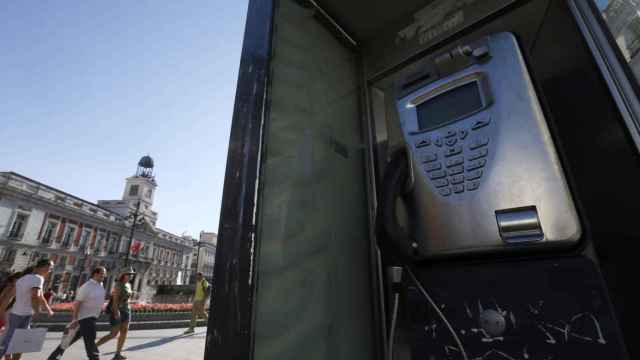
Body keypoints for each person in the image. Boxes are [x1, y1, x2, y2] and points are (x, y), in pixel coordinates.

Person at [47, 266, 107, 360]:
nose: (105, 275)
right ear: (96, 274)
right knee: (90, 341)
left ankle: (52, 358)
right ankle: (95, 358)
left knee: (68, 341)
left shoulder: (100, 285)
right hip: (85, 318)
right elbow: (77, 303)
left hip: (91, 318)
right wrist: (75, 319)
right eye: (103, 273)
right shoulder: (87, 286)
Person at [0, 259, 54, 359]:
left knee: (15, 341)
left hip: (15, 313)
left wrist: (48, 309)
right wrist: (37, 311)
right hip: (23, 315)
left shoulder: (22, 279)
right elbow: (35, 296)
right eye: (50, 268)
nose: (50, 271)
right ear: (44, 267)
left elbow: (11, 296)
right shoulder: (38, 279)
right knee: (14, 342)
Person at [96, 267, 134, 360]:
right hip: (118, 311)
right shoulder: (118, 284)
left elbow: (128, 297)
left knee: (124, 332)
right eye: (128, 274)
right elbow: (115, 300)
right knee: (113, 334)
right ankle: (93, 347)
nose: (130, 276)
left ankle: (118, 354)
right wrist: (116, 311)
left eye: (131, 274)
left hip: (127, 311)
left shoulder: (128, 285)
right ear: (123, 275)